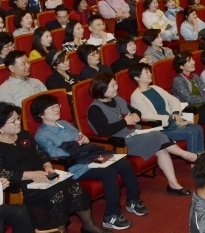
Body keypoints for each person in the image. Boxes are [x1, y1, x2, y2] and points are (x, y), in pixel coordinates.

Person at [0, 102, 109, 233]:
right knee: (57, 195)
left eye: (18, 118)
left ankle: (89, 226)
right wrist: (30, 175)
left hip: (43, 177)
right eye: (13, 121)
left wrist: (47, 165)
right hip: (20, 187)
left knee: (75, 187)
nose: (18, 122)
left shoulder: (23, 135)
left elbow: (41, 153)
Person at [31, 95, 148, 231]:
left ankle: (133, 200)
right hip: (74, 166)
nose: (56, 109)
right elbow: (52, 153)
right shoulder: (42, 134)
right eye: (51, 108)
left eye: (57, 106)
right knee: (109, 173)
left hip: (88, 157)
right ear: (40, 114)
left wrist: (83, 140)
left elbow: (80, 137)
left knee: (124, 164)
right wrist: (75, 144)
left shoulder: (65, 123)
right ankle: (111, 215)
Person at [86, 73, 197, 196]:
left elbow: (135, 111)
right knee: (156, 135)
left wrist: (135, 115)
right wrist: (125, 121)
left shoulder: (118, 100)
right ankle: (188, 156)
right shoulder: (95, 109)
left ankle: (173, 184)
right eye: (112, 86)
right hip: (119, 142)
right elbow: (103, 131)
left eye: (116, 84)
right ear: (102, 89)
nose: (116, 87)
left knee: (161, 150)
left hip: (134, 134)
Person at [128, 63, 205, 155]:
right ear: (137, 77)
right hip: (160, 129)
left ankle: (201, 158)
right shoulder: (136, 96)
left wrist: (175, 112)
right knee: (191, 132)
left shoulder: (155, 88)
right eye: (146, 72)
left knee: (198, 128)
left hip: (172, 124)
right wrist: (169, 118)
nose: (150, 74)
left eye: (149, 71)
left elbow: (173, 100)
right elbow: (148, 116)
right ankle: (195, 162)